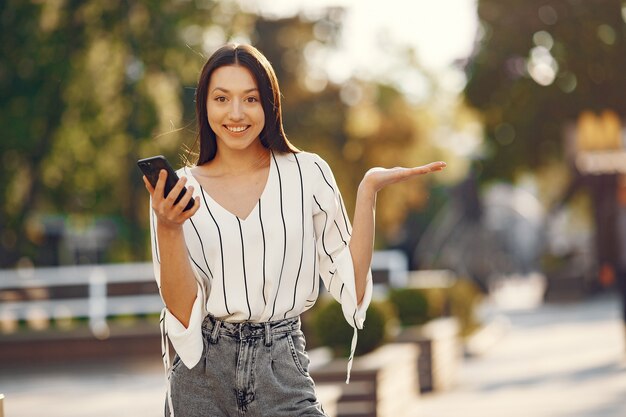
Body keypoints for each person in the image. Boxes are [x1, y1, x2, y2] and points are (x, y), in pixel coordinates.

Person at [143, 43, 446, 417]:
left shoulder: (308, 173)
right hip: (203, 377)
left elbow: (349, 279)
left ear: (269, 105)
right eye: (222, 98)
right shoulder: (180, 190)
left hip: (282, 366)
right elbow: (181, 311)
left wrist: (367, 191)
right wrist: (168, 227)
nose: (236, 113)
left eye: (250, 99)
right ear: (205, 106)